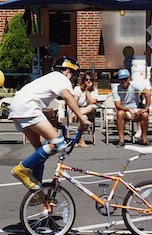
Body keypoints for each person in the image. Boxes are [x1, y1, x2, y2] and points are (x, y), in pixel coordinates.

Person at [9, 56, 91, 190]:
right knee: (59, 143)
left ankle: (37, 188)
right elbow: (67, 96)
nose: (74, 79)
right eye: (74, 75)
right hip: (28, 106)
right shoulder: (62, 78)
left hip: (17, 106)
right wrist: (82, 118)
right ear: (67, 71)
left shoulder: (49, 78)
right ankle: (22, 169)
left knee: (41, 148)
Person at [112, 69, 151, 147]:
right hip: (125, 110)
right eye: (121, 79)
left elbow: (148, 93)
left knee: (145, 115)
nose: (123, 81)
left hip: (136, 108)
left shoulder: (134, 85)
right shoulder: (116, 89)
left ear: (129, 78)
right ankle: (121, 140)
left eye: (125, 79)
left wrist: (146, 108)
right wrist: (129, 109)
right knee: (120, 113)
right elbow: (118, 105)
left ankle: (144, 138)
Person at [69, 70, 98, 147]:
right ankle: (81, 140)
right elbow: (74, 102)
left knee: (91, 106)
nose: (88, 81)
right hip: (79, 111)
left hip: (89, 112)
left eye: (90, 80)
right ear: (83, 80)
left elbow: (92, 102)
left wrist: (87, 92)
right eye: (86, 79)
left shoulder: (94, 90)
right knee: (84, 118)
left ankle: (73, 115)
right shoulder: (78, 89)